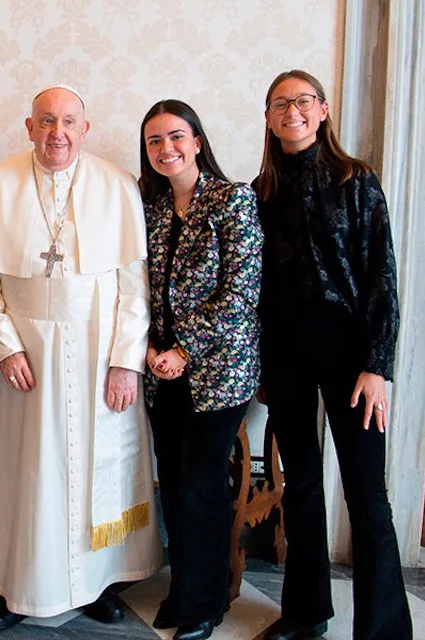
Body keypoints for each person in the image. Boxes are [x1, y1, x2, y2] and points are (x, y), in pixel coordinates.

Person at [0, 85, 163, 630]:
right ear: (29, 127)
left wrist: (126, 361)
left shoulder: (117, 186)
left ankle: (98, 583)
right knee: (27, 472)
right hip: (28, 360)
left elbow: (135, 288)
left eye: (69, 121)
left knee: (101, 470)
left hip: (100, 357)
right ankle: (17, 585)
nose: (58, 133)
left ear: (85, 129)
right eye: (46, 121)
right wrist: (5, 349)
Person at [254, 69, 413, 640]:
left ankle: (383, 630)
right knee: (300, 486)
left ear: (322, 110)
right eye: (280, 104)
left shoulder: (356, 179)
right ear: (268, 118)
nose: (291, 111)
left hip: (350, 353)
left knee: (367, 494)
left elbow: (382, 277)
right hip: (286, 353)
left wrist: (378, 366)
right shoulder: (260, 192)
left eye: (302, 101)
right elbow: (257, 289)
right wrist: (261, 366)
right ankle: (305, 613)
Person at [139, 100, 262, 640]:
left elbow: (241, 292)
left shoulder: (232, 200)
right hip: (161, 370)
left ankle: (205, 601)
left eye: (176, 136)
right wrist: (148, 347)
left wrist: (185, 350)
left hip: (219, 370)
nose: (166, 148)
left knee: (202, 484)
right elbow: (137, 287)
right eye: (154, 141)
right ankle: (182, 588)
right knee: (172, 480)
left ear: (196, 141)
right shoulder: (151, 209)